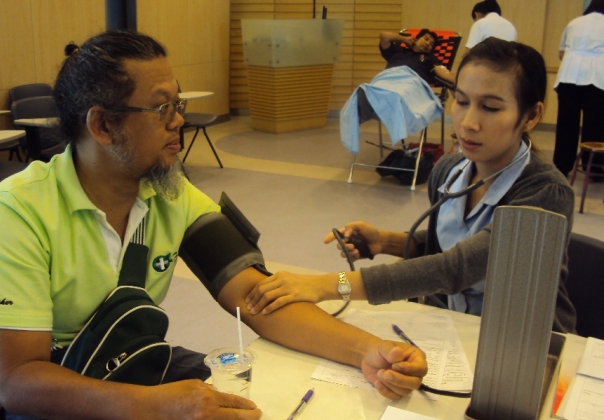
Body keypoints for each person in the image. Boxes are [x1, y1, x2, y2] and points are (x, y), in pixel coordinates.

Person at [0, 31, 427, 420]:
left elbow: (256, 298)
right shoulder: (18, 210)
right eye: (161, 108)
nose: (179, 120)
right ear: (103, 125)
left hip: (128, 363)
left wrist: (368, 351)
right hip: (49, 395)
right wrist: (150, 407)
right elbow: (17, 380)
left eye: (178, 103)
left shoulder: (171, 193)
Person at [246, 38, 577, 335]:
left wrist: (327, 285)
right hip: (451, 328)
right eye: (462, 101)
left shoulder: (546, 193)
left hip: (520, 344)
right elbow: (444, 246)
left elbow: (457, 268)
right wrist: (387, 241)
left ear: (531, 116)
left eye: (490, 108)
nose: (468, 122)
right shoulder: (449, 170)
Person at [552, 0, 604, 177]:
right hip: (596, 78)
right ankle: (593, 167)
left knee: (566, 124)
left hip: (569, 76)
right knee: (594, 125)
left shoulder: (574, 23)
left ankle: (562, 165)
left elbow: (561, 53)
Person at [378, 28, 456, 85]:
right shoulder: (398, 52)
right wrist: (404, 39)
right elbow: (384, 36)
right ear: (416, 39)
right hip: (387, 81)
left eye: (431, 44)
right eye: (426, 39)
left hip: (410, 85)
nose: (428, 43)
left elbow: (440, 69)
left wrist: (456, 80)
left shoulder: (430, 58)